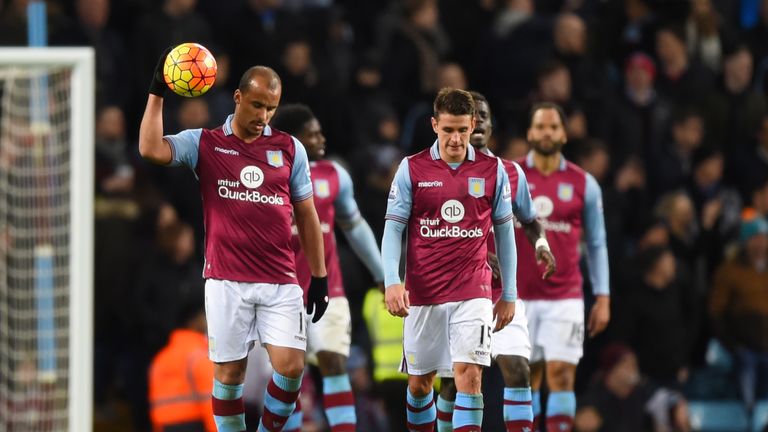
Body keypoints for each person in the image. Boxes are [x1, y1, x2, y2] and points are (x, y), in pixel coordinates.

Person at [139, 50, 329, 432]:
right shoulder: (205, 143)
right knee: (229, 375)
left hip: (280, 279)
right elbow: (151, 149)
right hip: (226, 279)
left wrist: (319, 276)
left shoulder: (290, 150)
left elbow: (307, 215)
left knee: (292, 368)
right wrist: (157, 89)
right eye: (257, 105)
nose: (263, 116)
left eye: (271, 108)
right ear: (238, 98)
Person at [382, 87, 518, 432]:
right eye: (448, 130)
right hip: (423, 293)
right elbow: (393, 230)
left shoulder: (493, 170)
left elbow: (505, 234)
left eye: (462, 129)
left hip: (474, 289)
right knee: (420, 385)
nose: (455, 139)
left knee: (469, 377)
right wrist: (392, 281)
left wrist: (510, 293)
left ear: (473, 125)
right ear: (434, 125)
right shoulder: (411, 168)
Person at [436, 91, 556, 432]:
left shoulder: (510, 172)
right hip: (454, 293)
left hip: (502, 293)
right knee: (452, 383)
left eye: (483, 117)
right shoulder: (437, 173)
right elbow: (425, 233)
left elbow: (530, 219)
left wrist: (542, 245)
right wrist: (480, 255)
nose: (478, 125)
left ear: (487, 125)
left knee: (518, 368)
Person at [269, 104, 385, 432]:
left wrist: (381, 273)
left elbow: (354, 225)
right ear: (293, 140)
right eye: (312, 134)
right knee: (289, 373)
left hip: (328, 290)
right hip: (280, 293)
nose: (321, 138)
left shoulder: (333, 175)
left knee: (335, 362)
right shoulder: (266, 173)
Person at [517, 102, 610, 431]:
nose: (546, 132)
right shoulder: (511, 177)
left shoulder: (584, 184)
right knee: (526, 378)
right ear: (529, 133)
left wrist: (603, 296)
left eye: (553, 127)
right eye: (540, 126)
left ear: (564, 134)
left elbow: (597, 243)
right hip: (519, 296)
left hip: (565, 297)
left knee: (561, 374)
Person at [148, 303, 216, 432]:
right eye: (204, 316)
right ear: (193, 321)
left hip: (166, 426)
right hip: (197, 424)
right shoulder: (199, 356)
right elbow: (212, 403)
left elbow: (155, 404)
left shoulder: (160, 359)